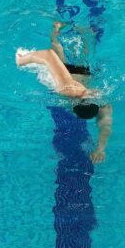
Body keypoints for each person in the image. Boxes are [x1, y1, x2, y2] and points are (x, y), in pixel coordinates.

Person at [16, 21, 113, 163]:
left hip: (71, 74)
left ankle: (57, 27)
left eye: (92, 95)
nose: (95, 93)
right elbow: (47, 55)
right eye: (93, 95)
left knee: (59, 49)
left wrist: (101, 148)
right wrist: (21, 60)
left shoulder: (86, 97)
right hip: (73, 73)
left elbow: (105, 124)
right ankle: (64, 28)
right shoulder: (71, 89)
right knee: (73, 50)